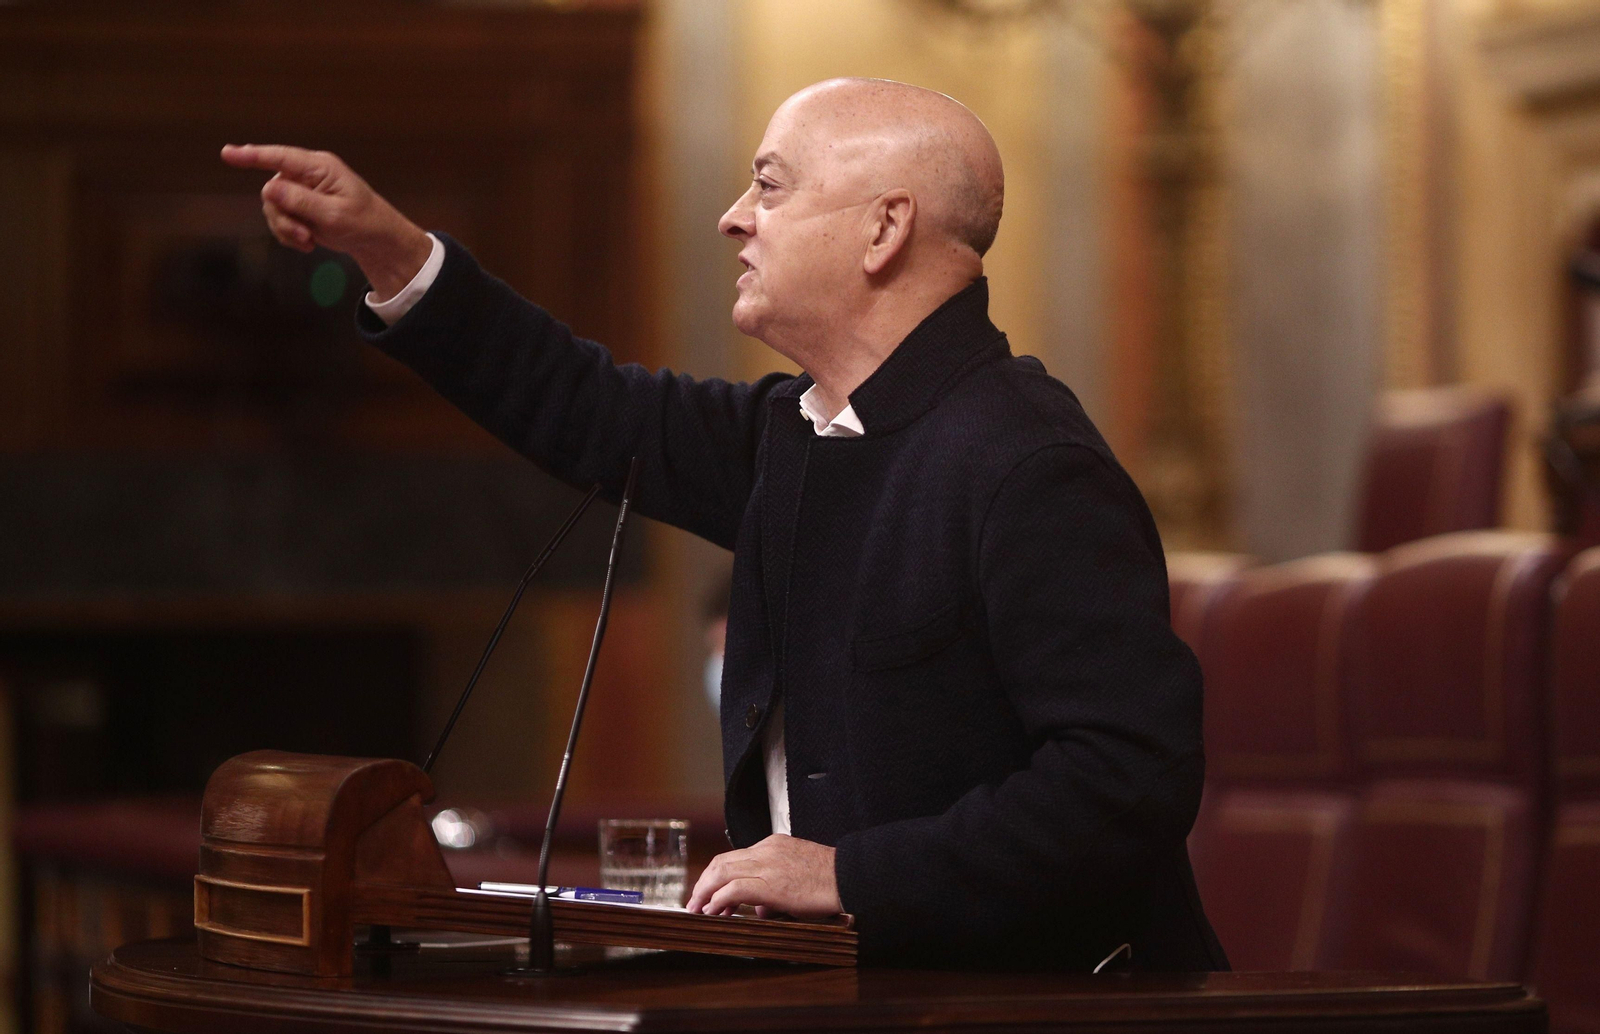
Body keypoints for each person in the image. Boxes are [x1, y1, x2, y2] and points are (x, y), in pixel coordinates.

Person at [221, 77, 1227, 971]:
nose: (733, 217)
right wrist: (391, 251)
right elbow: (590, 407)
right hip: (854, 991)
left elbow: (1125, 782)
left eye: (771, 185)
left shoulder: (1028, 461)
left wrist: (850, 874)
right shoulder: (794, 431)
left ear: (884, 229)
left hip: (1044, 1003)